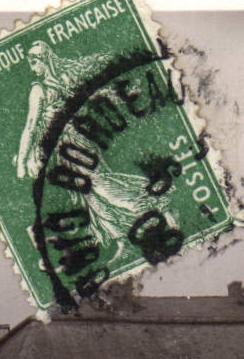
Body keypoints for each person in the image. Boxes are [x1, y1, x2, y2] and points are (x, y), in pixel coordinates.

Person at [14, 40, 168, 264]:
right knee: (90, 197)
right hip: (72, 145)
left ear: (44, 59)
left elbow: (30, 126)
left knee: (99, 185)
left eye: (33, 62)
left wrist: (22, 164)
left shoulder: (39, 90)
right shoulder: (65, 79)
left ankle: (149, 206)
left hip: (73, 146)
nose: (31, 68)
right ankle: (123, 240)